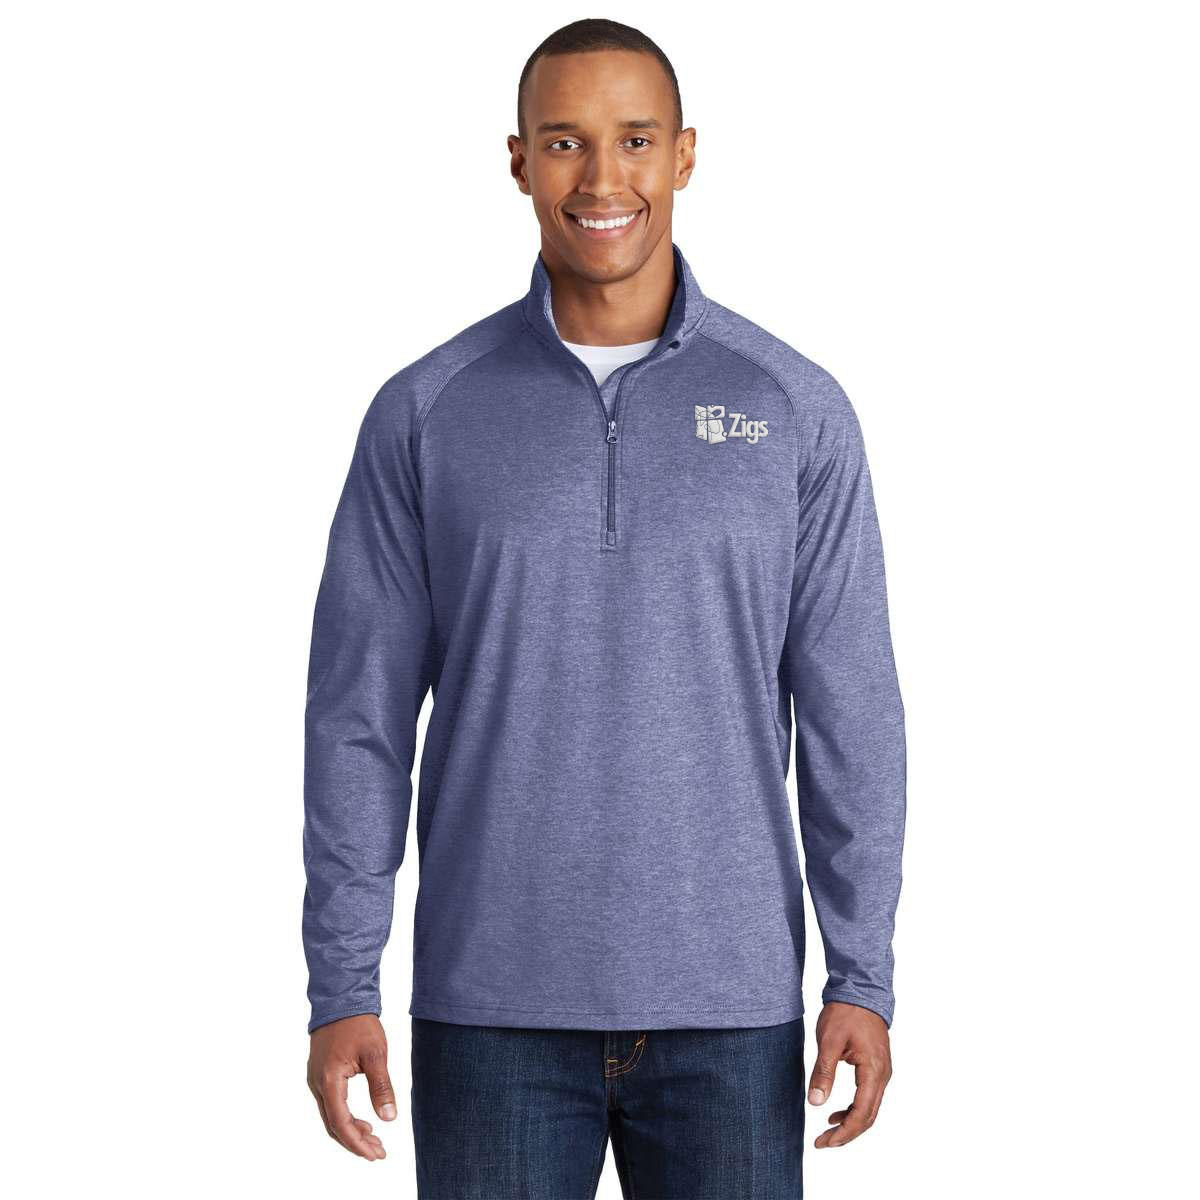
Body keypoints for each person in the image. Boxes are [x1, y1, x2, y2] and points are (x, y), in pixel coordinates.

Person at [303, 18, 906, 1198]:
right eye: (565, 141)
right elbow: (357, 720)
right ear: (519, 160)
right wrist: (341, 985)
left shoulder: (794, 409)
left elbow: (855, 716)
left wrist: (863, 976)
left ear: (685, 154)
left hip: (731, 1010)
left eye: (633, 140)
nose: (601, 178)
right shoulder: (426, 411)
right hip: (491, 1010)